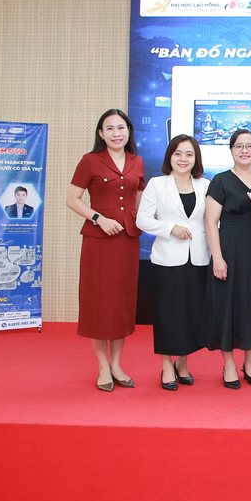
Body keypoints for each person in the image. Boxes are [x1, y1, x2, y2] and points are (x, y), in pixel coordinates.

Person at [66, 109, 145, 392]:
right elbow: (72, 199)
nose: (116, 133)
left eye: (121, 127)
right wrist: (98, 218)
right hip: (98, 242)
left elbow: (139, 196)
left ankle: (116, 364)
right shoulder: (90, 161)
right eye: (109, 128)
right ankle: (102, 367)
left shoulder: (137, 161)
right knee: (99, 303)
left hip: (127, 240)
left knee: (121, 304)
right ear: (101, 133)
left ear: (128, 131)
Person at [200, 130, 251, 389]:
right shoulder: (220, 181)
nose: (244, 150)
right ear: (231, 149)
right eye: (239, 146)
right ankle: (228, 364)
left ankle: (250, 363)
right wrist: (217, 258)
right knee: (227, 306)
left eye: (249, 146)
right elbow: (210, 222)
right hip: (229, 249)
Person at [136, 135, 209, 392]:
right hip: (167, 259)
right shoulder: (157, 184)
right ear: (170, 156)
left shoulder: (205, 185)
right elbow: (142, 219)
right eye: (178, 153)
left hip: (198, 259)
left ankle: (183, 363)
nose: (183, 159)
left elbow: (212, 221)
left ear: (196, 159)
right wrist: (170, 228)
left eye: (189, 154)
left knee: (192, 314)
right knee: (168, 314)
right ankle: (167, 364)